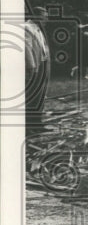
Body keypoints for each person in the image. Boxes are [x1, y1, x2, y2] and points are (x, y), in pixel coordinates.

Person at [24, 7, 51, 135]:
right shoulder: (27, 27)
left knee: (40, 95)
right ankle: (29, 126)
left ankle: (38, 123)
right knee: (32, 95)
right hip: (35, 66)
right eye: (44, 16)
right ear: (36, 16)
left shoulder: (38, 28)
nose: (47, 19)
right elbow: (27, 48)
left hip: (43, 64)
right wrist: (32, 66)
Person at [70, 14, 88, 80]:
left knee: (83, 60)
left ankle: (75, 69)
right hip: (87, 46)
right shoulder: (87, 27)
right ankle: (87, 75)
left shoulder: (79, 27)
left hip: (81, 45)